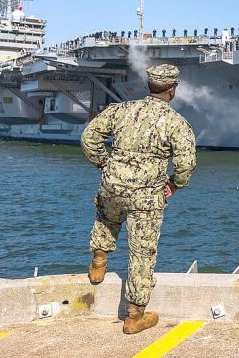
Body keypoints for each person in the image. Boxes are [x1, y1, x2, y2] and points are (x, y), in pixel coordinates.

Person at [82, 64, 197, 335]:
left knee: (107, 217)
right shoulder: (176, 122)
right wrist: (175, 184)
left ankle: (99, 261)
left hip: (113, 183)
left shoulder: (120, 109)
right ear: (172, 89)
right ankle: (135, 316)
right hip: (146, 194)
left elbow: (89, 138)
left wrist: (105, 165)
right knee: (142, 252)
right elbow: (186, 162)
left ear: (150, 86)